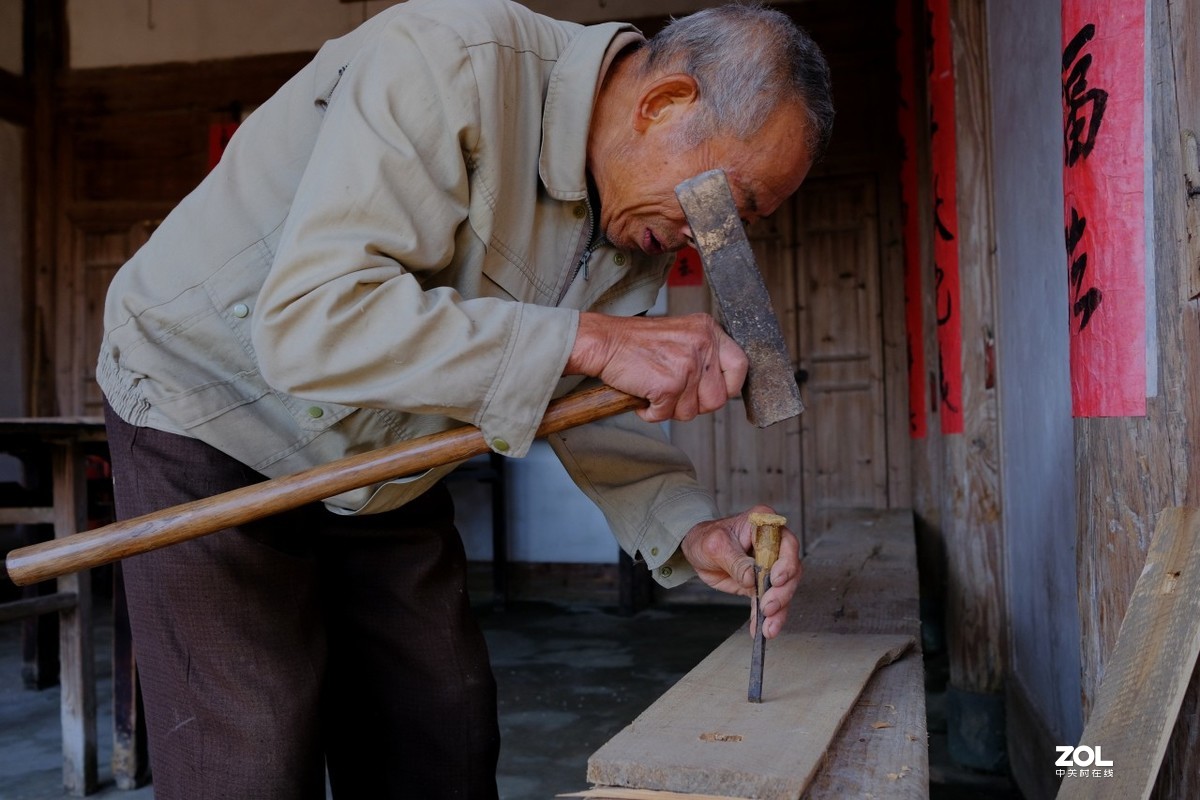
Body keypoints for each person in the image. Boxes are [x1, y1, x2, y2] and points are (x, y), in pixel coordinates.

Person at [96, 0, 834, 797]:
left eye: (739, 222)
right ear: (665, 104)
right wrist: (598, 339)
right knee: (252, 749)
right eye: (724, 202)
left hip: (385, 452)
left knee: (440, 727)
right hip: (207, 406)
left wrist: (688, 527)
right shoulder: (449, 58)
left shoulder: (634, 217)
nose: (711, 234)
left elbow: (582, 390)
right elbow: (314, 323)